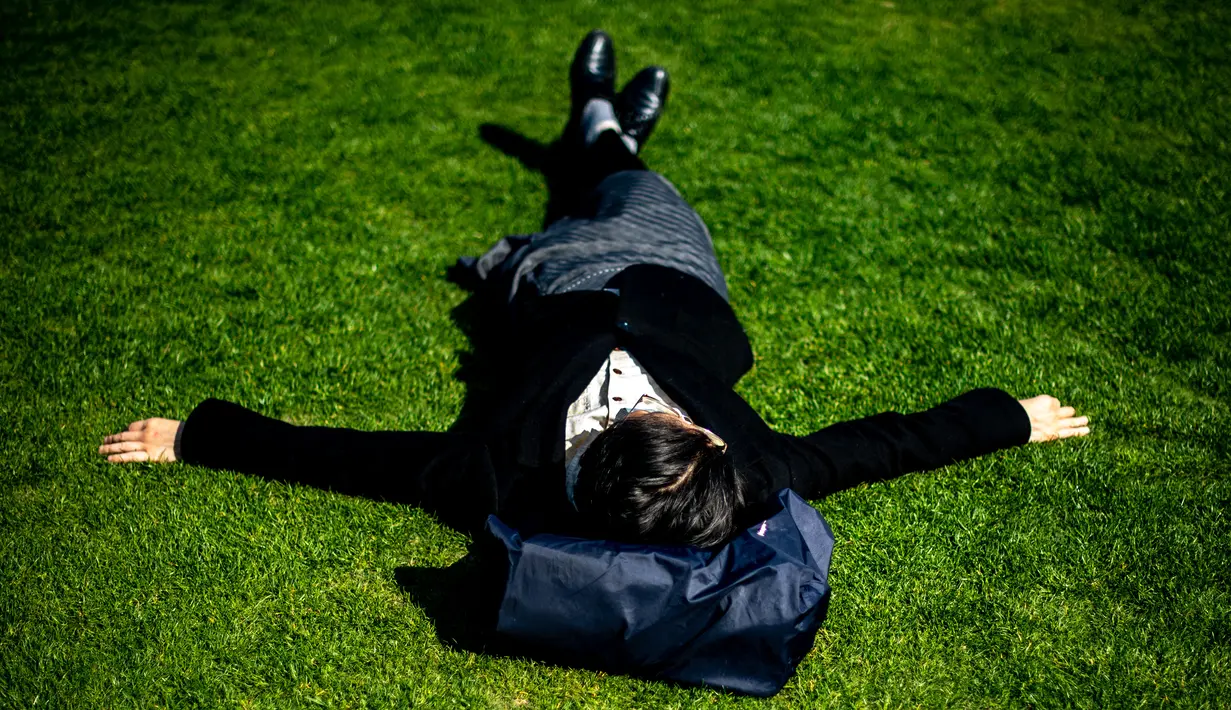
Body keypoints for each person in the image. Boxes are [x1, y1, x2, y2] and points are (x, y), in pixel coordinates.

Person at [98, 30, 1090, 548]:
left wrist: (197, 436)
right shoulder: (750, 473)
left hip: (554, 288)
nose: (700, 425)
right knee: (639, 189)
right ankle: (604, 131)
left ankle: (596, 128)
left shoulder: (498, 468)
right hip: (671, 277)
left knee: (563, 225)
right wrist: (1009, 417)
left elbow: (356, 458)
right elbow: (878, 444)